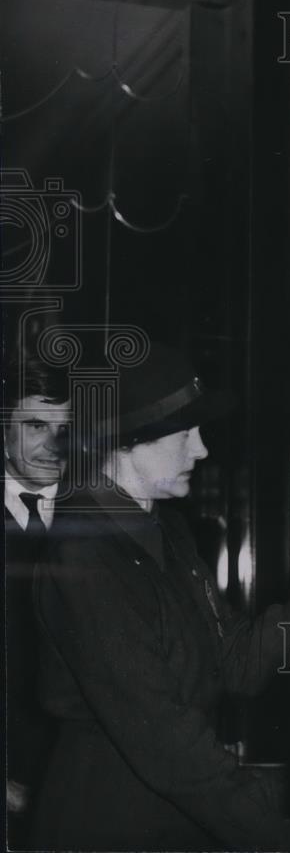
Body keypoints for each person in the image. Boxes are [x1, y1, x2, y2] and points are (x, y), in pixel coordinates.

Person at [30, 343, 290, 852]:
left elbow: (237, 660)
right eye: (184, 434)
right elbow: (167, 742)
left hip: (173, 821)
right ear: (128, 440)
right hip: (107, 826)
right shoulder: (84, 554)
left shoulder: (167, 533)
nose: (200, 449)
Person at [4, 355, 70, 847]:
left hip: (79, 786)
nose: (53, 444)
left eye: (64, 428)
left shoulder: (100, 522)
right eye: (34, 425)